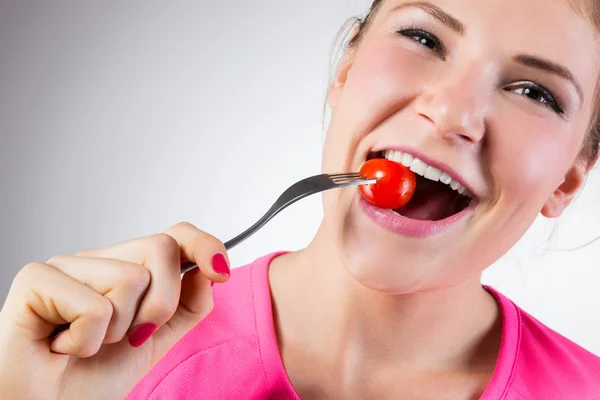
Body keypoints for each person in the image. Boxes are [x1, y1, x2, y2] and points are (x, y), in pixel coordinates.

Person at [2, 0, 600, 398]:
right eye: (423, 36)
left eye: (534, 92)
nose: (451, 113)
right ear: (345, 70)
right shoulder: (113, 351)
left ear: (568, 180)